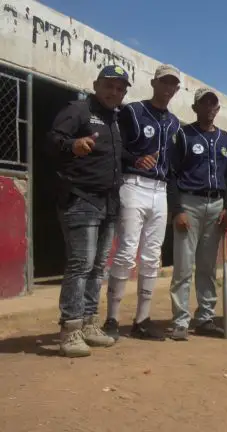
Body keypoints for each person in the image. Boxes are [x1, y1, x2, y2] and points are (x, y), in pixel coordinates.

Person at [46, 65, 130, 357]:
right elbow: (52, 140)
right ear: (96, 85)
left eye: (120, 89)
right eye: (109, 86)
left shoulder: (115, 120)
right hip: (81, 198)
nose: (114, 92)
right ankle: (70, 329)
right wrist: (73, 145)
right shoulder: (79, 110)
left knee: (98, 267)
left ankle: (90, 323)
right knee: (80, 264)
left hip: (108, 201)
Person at [103, 64, 182, 341]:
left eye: (173, 84)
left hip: (160, 190)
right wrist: (135, 159)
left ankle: (142, 319)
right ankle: (112, 318)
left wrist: (175, 203)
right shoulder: (133, 111)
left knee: (152, 256)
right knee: (125, 251)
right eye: (164, 82)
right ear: (153, 83)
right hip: (133, 184)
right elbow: (116, 147)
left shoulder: (174, 123)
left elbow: (172, 167)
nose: (168, 88)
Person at [166, 88, 227, 341]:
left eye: (213, 104)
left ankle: (205, 318)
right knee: (183, 266)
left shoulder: (226, 139)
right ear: (195, 108)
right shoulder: (183, 135)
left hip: (216, 205)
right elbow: (172, 174)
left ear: (217, 109)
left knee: (207, 267)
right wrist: (177, 210)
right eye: (203, 104)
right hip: (189, 203)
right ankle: (180, 321)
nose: (208, 108)